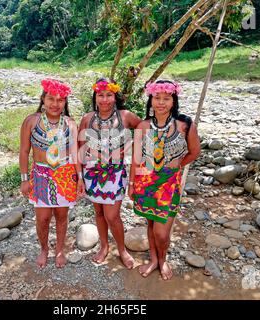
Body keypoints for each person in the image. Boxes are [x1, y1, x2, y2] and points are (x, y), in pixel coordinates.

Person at [128, 79, 201, 280]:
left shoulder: (185, 125)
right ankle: (153, 260)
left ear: (173, 100)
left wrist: (179, 163)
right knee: (150, 224)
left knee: (162, 232)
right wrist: (132, 184)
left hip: (169, 184)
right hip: (145, 182)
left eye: (166, 98)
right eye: (157, 98)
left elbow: (195, 151)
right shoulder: (143, 126)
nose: (161, 102)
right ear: (151, 100)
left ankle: (163, 259)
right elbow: (136, 159)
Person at [19, 78, 85, 268]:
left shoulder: (70, 123)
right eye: (51, 99)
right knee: (43, 218)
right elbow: (24, 151)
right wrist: (24, 179)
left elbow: (74, 154)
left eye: (60, 100)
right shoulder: (31, 121)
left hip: (65, 175)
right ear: (43, 99)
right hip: (40, 175)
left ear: (65, 103)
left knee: (62, 217)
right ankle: (44, 249)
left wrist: (79, 178)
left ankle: (59, 250)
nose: (55, 104)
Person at [78, 78, 142, 269]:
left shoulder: (126, 116)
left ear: (115, 97)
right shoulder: (87, 118)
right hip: (91, 173)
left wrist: (131, 147)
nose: (104, 99)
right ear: (95, 97)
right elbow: (80, 147)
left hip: (115, 174)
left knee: (112, 216)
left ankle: (122, 250)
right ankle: (104, 246)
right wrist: (80, 177)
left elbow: (145, 131)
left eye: (109, 95)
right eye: (100, 95)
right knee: (98, 212)